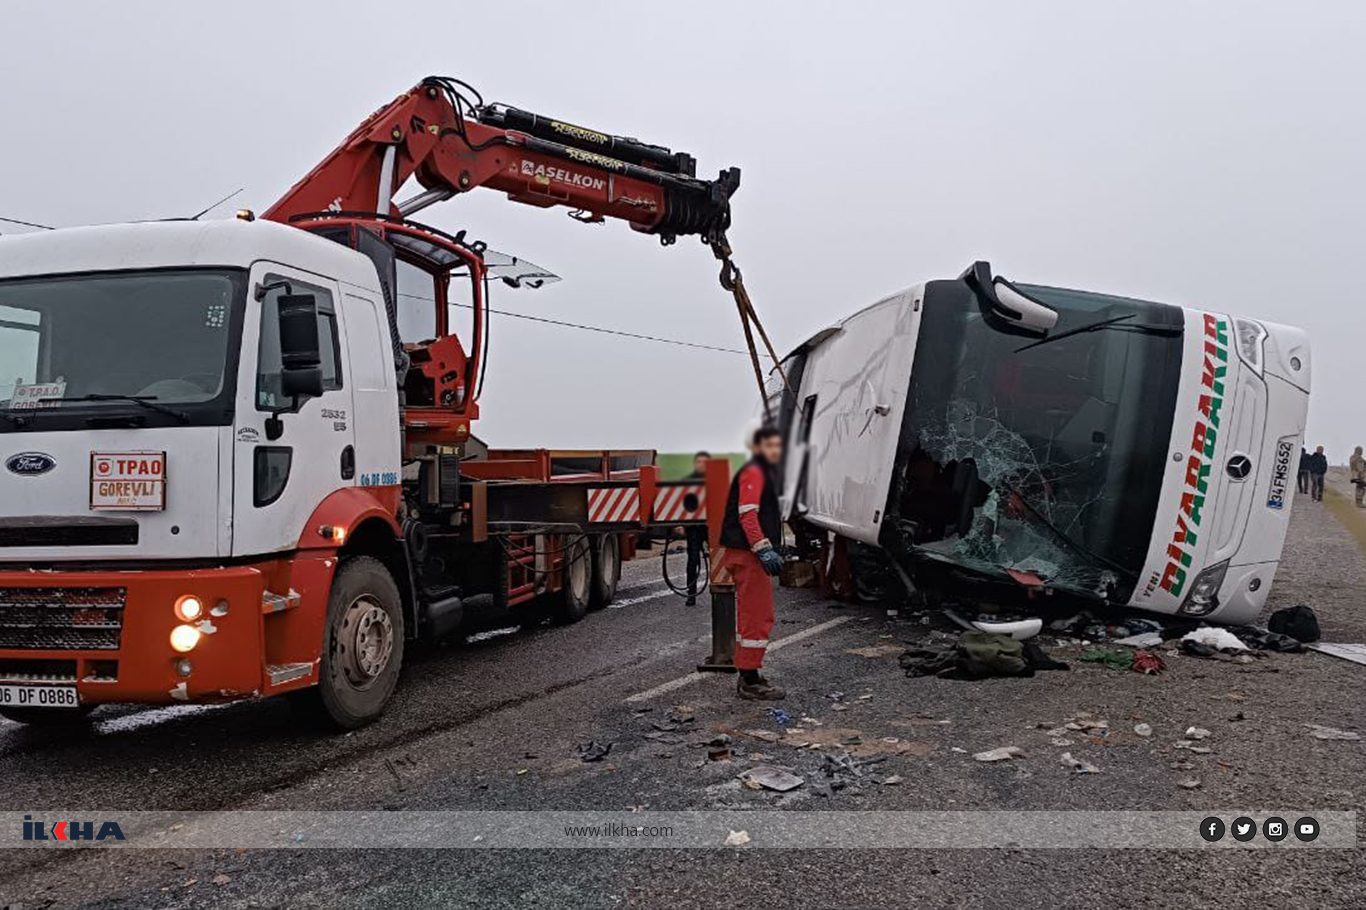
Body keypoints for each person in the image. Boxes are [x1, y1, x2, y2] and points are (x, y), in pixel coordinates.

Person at [720, 423, 786, 700]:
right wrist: (763, 549)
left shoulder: (759, 471)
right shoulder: (755, 472)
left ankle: (751, 673)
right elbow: (748, 515)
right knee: (756, 617)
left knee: (756, 615)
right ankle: (749, 679)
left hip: (746, 554)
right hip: (749, 556)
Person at [683, 451, 710, 606]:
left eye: (705, 462)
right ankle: (691, 594)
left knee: (719, 557)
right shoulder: (688, 482)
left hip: (711, 526)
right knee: (693, 560)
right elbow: (682, 506)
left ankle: (722, 589)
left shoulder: (715, 481)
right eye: (699, 462)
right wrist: (681, 524)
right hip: (694, 527)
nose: (702, 465)